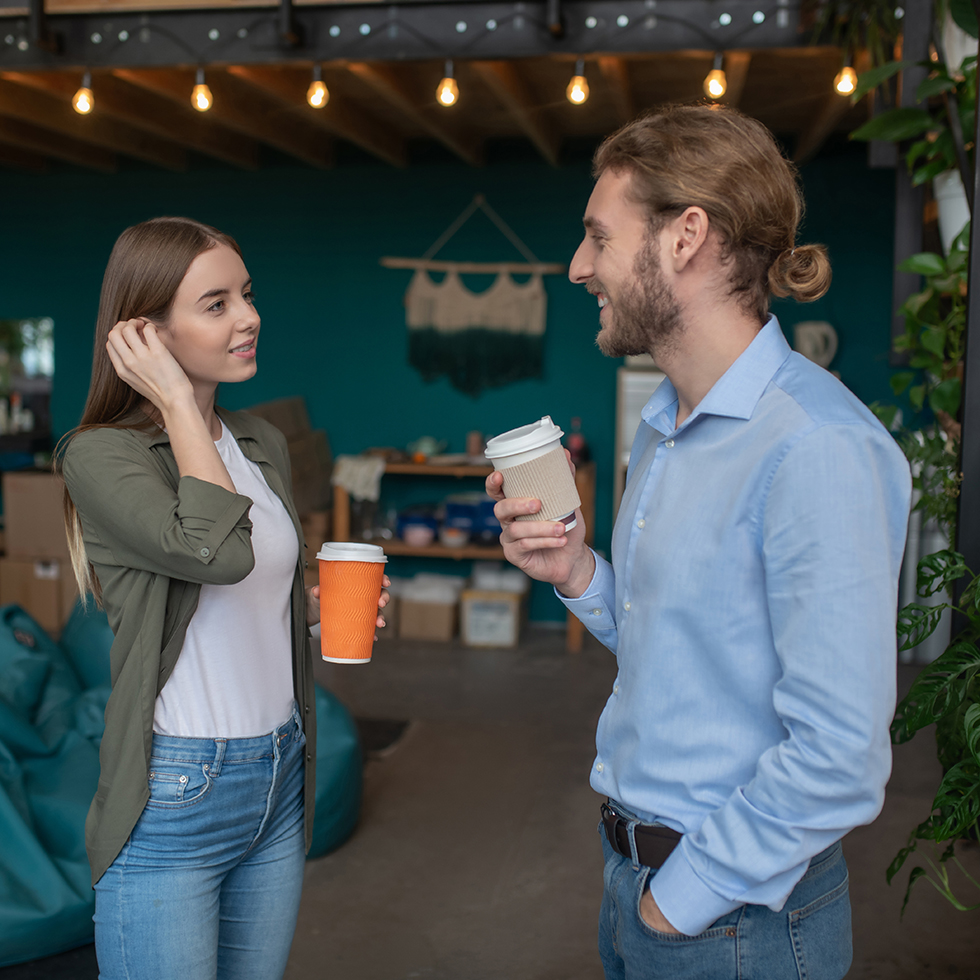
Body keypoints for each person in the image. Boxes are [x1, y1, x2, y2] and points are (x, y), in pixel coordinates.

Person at [487, 105, 911, 979]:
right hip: (639, 880)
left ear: (686, 237)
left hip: (735, 920)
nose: (578, 267)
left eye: (598, 237)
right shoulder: (664, 425)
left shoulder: (816, 445)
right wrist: (576, 572)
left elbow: (841, 756)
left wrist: (676, 904)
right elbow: (680, 643)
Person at [57, 216, 388, 980]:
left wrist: (315, 607)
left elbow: (255, 583)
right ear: (145, 333)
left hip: (278, 775)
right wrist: (176, 401)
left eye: (247, 294)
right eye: (216, 304)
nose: (249, 317)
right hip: (176, 790)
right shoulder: (100, 454)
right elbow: (215, 552)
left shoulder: (260, 441)